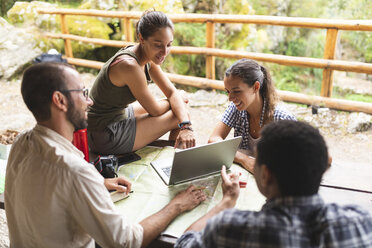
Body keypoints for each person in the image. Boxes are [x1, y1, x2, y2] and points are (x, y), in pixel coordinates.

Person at [5, 63, 206, 248]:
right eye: (83, 93)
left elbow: (47, 185)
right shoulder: (76, 171)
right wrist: (177, 205)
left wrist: (99, 184)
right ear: (60, 100)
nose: (90, 101)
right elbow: (126, 242)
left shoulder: (21, 143)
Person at [175, 120, 372, 248]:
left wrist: (226, 202)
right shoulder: (360, 222)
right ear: (320, 171)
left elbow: (184, 244)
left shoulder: (233, 228)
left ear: (266, 175)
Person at [88, 10, 195, 155]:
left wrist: (178, 105)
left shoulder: (147, 55)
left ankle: (170, 147)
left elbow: (171, 92)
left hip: (116, 116)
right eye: (158, 45)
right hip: (104, 133)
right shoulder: (129, 65)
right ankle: (173, 151)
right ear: (141, 38)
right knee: (179, 113)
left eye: (168, 45)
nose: (164, 52)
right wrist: (183, 118)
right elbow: (155, 110)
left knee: (180, 107)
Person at [208, 59, 296, 173]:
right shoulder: (236, 109)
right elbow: (213, 140)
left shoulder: (282, 119)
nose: (230, 98)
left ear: (256, 87)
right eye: (228, 92)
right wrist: (244, 159)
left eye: (237, 91)